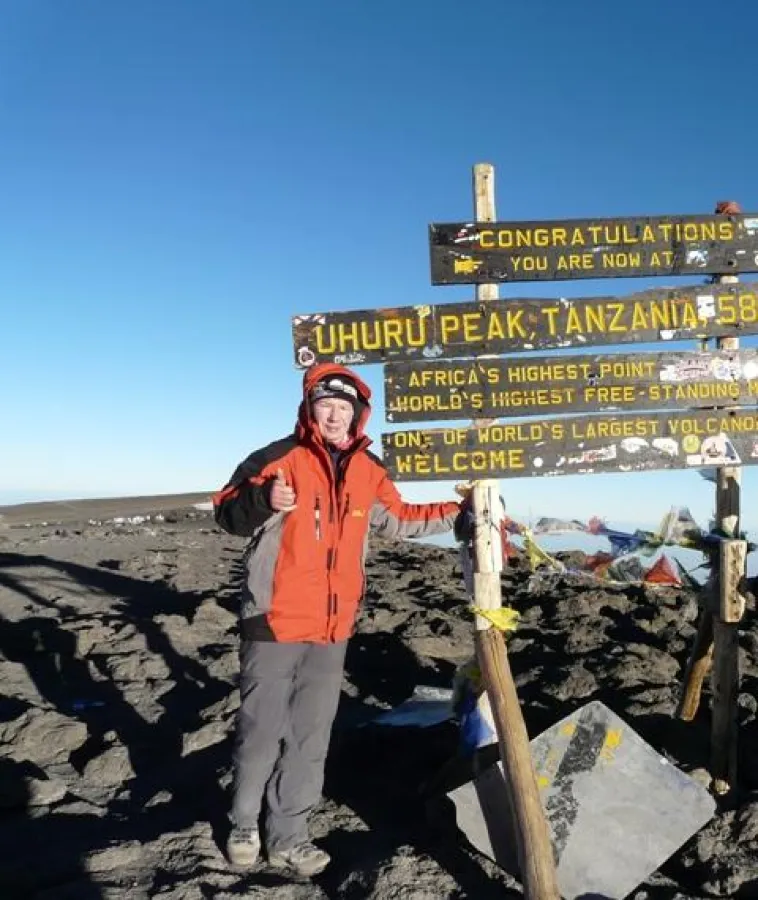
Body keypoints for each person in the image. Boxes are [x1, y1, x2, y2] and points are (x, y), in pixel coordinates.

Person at [213, 362, 461, 876]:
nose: (333, 415)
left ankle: (289, 836)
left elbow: (399, 520)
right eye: (325, 405)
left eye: (343, 408)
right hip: (274, 618)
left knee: (310, 736)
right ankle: (243, 823)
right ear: (310, 408)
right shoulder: (276, 458)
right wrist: (264, 499)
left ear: (358, 415)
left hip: (332, 627)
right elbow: (226, 511)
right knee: (261, 729)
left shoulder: (370, 469)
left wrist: (461, 511)